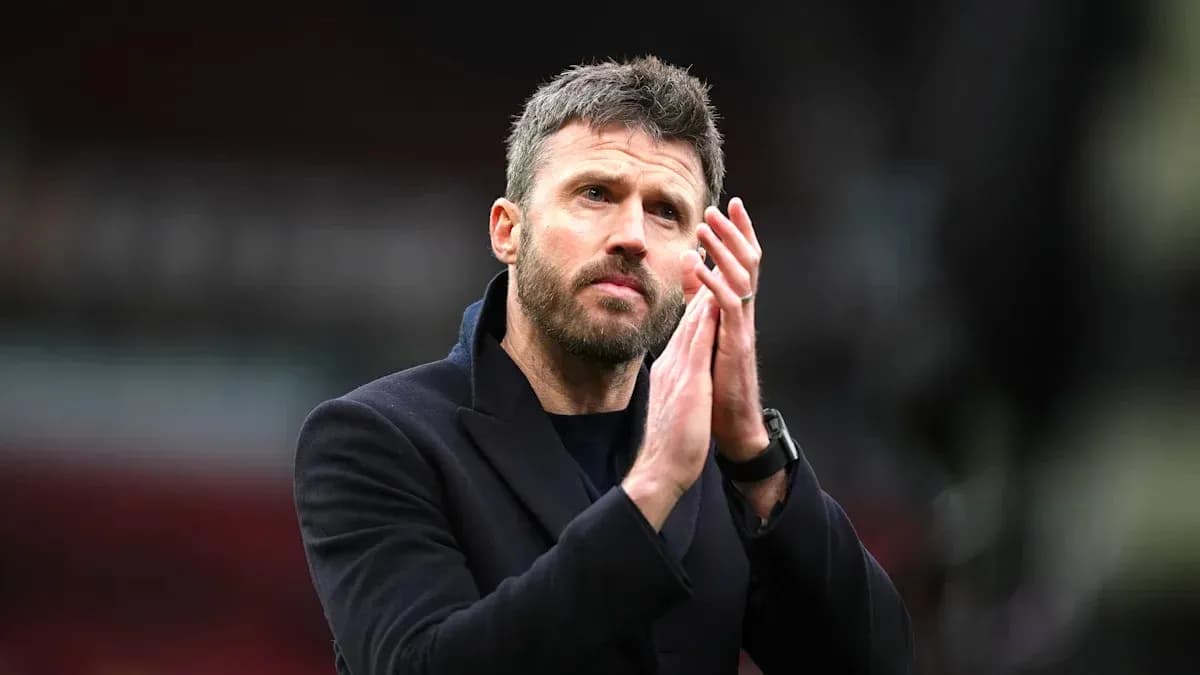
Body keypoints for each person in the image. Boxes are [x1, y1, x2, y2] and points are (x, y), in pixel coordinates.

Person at [292, 55, 914, 675]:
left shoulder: (725, 464)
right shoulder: (375, 439)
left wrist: (754, 452)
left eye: (666, 211)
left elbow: (876, 662)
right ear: (508, 231)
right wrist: (654, 488)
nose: (632, 236)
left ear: (699, 264)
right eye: (596, 194)